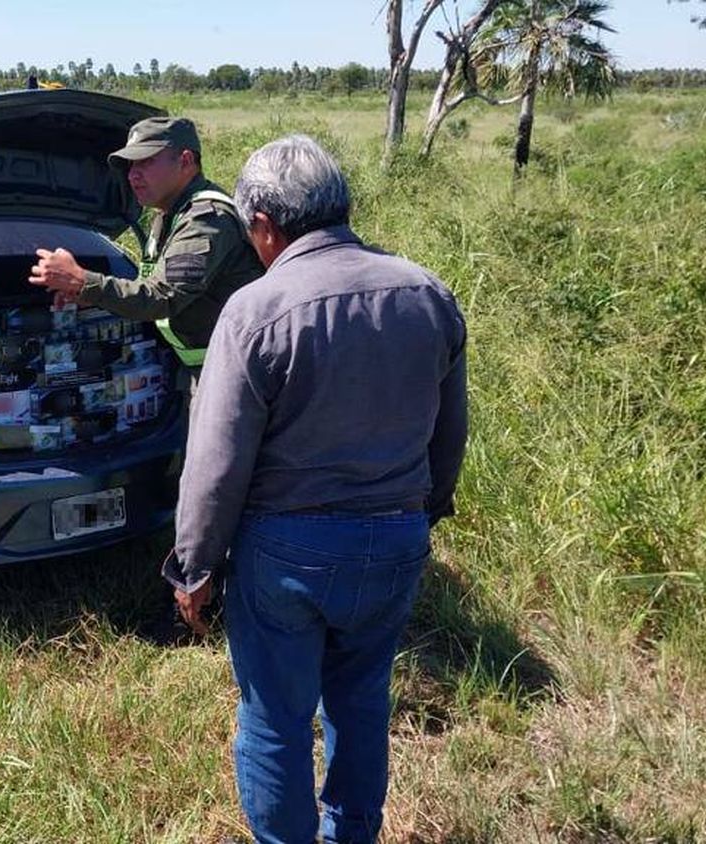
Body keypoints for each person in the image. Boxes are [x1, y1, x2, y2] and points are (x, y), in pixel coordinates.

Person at [167, 135, 468, 843]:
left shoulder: (254, 311)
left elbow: (215, 465)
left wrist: (194, 567)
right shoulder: (427, 293)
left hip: (288, 553)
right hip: (395, 537)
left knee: (275, 718)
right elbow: (448, 434)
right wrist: (422, 515)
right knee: (362, 704)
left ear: (265, 226)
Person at [27, 116, 264, 389]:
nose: (132, 175)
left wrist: (83, 282)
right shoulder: (168, 214)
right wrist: (91, 296)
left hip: (234, 373)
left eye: (146, 162)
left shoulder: (206, 219)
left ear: (185, 161)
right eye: (130, 165)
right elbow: (149, 286)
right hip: (205, 367)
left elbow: (162, 297)